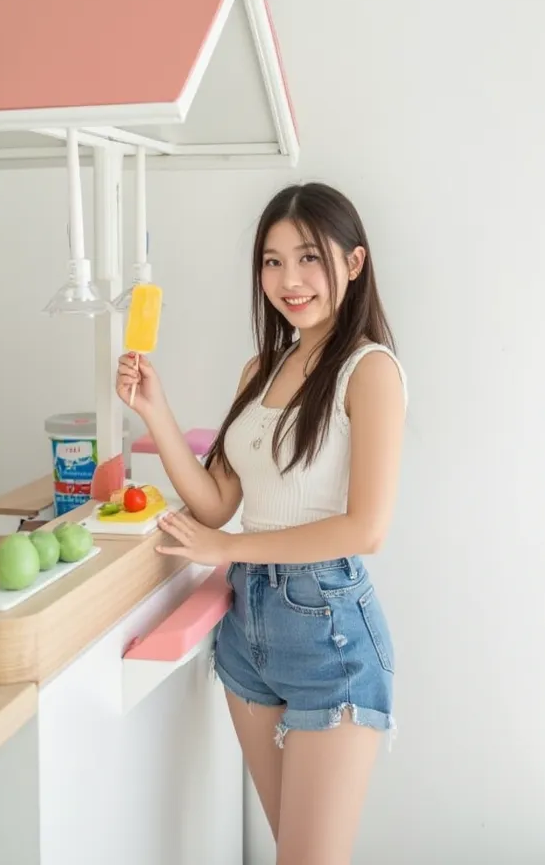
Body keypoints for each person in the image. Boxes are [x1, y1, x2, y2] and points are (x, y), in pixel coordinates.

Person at [115, 181, 407, 865]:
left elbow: (366, 528)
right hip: (248, 627)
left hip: (328, 628)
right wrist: (155, 412)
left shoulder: (370, 371)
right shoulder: (262, 367)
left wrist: (227, 545)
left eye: (308, 258)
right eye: (272, 261)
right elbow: (218, 498)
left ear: (354, 263)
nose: (289, 280)